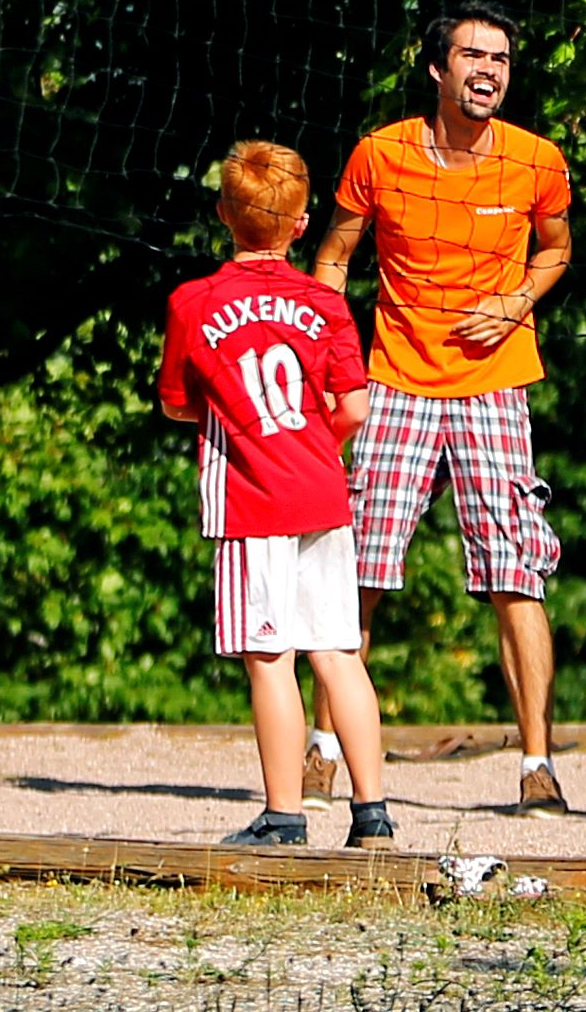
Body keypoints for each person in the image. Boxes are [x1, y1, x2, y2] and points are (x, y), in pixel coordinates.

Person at [318, 1, 575, 809]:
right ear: (438, 68)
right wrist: (334, 367)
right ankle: (324, 749)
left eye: (500, 58)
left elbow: (557, 247)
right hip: (394, 381)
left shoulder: (536, 160)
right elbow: (333, 258)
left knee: (517, 573)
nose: (489, 71)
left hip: (495, 385)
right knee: (357, 570)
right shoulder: (379, 154)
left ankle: (537, 766)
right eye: (474, 56)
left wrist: (517, 300)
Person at [163, 139, 393, 851]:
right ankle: (374, 814)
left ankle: (284, 815)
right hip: (323, 493)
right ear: (300, 227)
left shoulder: (193, 302)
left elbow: (177, 404)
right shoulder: (325, 302)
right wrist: (312, 444)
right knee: (338, 653)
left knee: (270, 657)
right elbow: (353, 406)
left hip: (248, 499)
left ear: (222, 213)